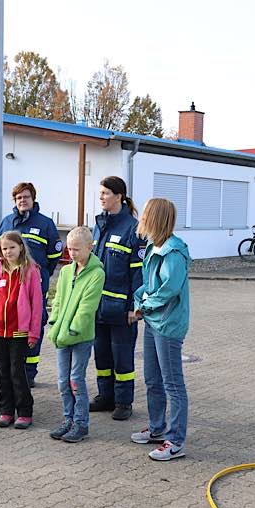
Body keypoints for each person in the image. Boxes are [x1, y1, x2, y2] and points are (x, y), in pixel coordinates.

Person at [129, 198, 192, 461]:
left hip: (167, 324)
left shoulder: (173, 252)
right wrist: (138, 298)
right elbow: (147, 284)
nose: (141, 218)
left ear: (154, 218)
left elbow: (169, 289)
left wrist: (142, 306)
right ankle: (157, 429)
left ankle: (175, 440)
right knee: (153, 380)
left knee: (172, 384)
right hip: (154, 321)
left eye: (145, 214)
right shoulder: (154, 247)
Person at [90, 176, 146, 421]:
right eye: (100, 193)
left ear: (119, 196)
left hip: (122, 309)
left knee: (122, 357)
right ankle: (106, 396)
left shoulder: (134, 229)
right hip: (97, 306)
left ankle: (124, 402)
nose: (101, 197)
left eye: (105, 193)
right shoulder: (99, 225)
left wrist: (135, 306)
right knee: (101, 354)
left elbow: (138, 272)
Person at [0, 182, 62, 387]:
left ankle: (29, 371)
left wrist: (42, 273)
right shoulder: (7, 222)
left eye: (26, 197)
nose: (22, 201)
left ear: (33, 198)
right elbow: (0, 253)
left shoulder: (45, 224)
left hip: (35, 285)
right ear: (14, 201)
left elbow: (54, 255)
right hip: (9, 287)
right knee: (13, 324)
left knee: (35, 325)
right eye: (18, 198)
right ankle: (13, 369)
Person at [0, 231, 42, 429]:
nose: (8, 251)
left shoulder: (30, 270)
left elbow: (37, 304)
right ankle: (6, 410)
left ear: (21, 247)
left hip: (19, 332)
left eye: (12, 247)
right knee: (2, 372)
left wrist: (34, 332)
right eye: (4, 248)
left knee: (17, 372)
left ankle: (24, 412)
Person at [47, 226, 104, 443]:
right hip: (61, 335)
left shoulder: (97, 274)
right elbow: (58, 300)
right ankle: (68, 419)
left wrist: (72, 330)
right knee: (62, 381)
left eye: (77, 249)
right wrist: (54, 323)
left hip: (80, 337)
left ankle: (81, 423)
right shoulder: (66, 271)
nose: (72, 254)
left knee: (75, 380)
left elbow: (87, 308)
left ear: (90, 248)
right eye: (69, 249)